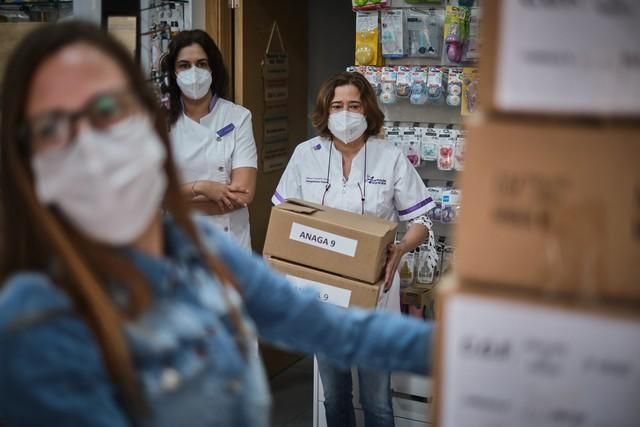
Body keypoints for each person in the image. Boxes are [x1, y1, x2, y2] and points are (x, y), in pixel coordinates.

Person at [0, 22, 434, 427]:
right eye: (56, 125)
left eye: (107, 110)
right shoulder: (29, 312)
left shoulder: (202, 247)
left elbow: (328, 326)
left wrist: (458, 348)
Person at [273, 71, 437, 427]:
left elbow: (423, 221)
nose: (344, 113)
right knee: (334, 398)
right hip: (324, 300)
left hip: (375, 298)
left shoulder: (389, 157)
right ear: (325, 111)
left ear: (367, 111)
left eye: (353, 105)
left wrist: (401, 249)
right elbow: (284, 216)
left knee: (378, 402)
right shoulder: (306, 155)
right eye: (337, 106)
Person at [163, 30, 256, 250]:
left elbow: (243, 195)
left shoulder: (238, 117)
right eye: (184, 65)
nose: (193, 72)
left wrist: (177, 200)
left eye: (201, 64)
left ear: (212, 68)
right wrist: (201, 187)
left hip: (230, 242)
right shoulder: (159, 121)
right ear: (173, 73)